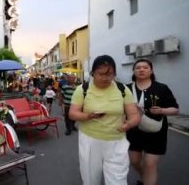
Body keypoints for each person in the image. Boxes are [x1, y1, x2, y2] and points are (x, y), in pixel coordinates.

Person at [69, 55, 141, 185]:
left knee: (117, 180)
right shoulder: (83, 89)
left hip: (117, 142)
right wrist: (88, 116)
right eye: (101, 74)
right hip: (90, 140)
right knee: (91, 179)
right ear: (92, 74)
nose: (105, 78)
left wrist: (129, 124)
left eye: (110, 74)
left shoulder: (122, 89)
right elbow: (72, 114)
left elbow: (134, 115)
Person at [126, 59, 179, 185]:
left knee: (150, 164)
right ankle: (146, 178)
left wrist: (162, 110)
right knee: (134, 161)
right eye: (138, 67)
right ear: (133, 71)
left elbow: (175, 109)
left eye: (145, 67)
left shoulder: (161, 88)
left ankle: (148, 180)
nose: (141, 70)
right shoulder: (126, 89)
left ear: (151, 70)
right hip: (134, 131)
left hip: (156, 132)